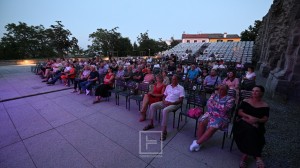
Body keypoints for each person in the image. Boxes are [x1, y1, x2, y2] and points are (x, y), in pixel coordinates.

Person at [189, 84, 235, 152]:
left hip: (222, 117)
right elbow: (208, 104)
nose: (219, 90)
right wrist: (217, 105)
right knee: (201, 122)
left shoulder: (230, 99)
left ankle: (197, 143)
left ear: (226, 90)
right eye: (219, 88)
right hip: (210, 113)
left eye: (222, 89)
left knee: (212, 127)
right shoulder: (214, 95)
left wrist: (214, 104)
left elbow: (225, 109)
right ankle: (200, 142)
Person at [234, 85, 269, 168]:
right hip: (242, 123)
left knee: (252, 131)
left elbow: (265, 118)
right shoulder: (246, 101)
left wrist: (257, 120)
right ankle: (257, 156)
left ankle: (244, 156)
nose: (254, 92)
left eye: (257, 91)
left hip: (257, 125)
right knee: (251, 130)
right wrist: (249, 117)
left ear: (262, 93)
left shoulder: (265, 105)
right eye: (253, 91)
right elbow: (239, 112)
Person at [143, 75, 184, 141]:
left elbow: (181, 100)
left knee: (165, 110)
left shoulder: (181, 88)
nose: (173, 81)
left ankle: (164, 131)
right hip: (166, 102)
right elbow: (164, 96)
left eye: (174, 79)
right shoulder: (168, 86)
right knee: (152, 105)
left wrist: (171, 103)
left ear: (177, 80)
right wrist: (164, 101)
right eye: (172, 79)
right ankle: (151, 124)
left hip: (174, 104)